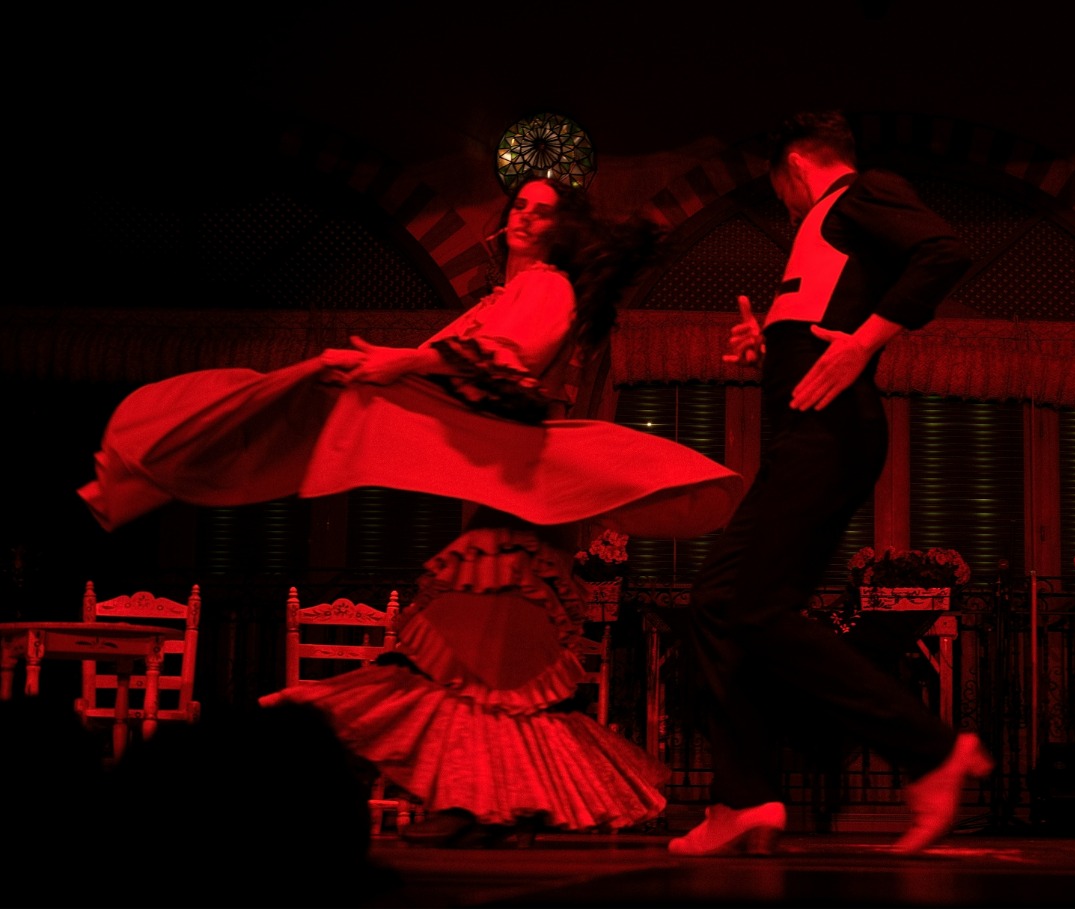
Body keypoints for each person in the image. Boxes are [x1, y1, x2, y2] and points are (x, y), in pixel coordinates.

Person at [80, 176, 746, 846]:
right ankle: (488, 803)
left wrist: (398, 362)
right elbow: (446, 365)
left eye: (543, 212)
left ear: (561, 230)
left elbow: (497, 363)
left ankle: (481, 802)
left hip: (519, 494)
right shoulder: (506, 295)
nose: (526, 217)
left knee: (481, 652)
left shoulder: (546, 287)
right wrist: (378, 368)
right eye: (520, 205)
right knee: (473, 654)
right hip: (497, 487)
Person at [667, 110, 986, 858]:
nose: (778, 199)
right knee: (721, 603)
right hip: (805, 440)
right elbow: (817, 321)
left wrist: (866, 344)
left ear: (795, 164)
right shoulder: (826, 231)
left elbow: (943, 252)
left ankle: (930, 748)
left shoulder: (860, 191)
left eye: (777, 184)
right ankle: (743, 799)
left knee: (750, 606)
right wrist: (768, 341)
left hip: (830, 436)